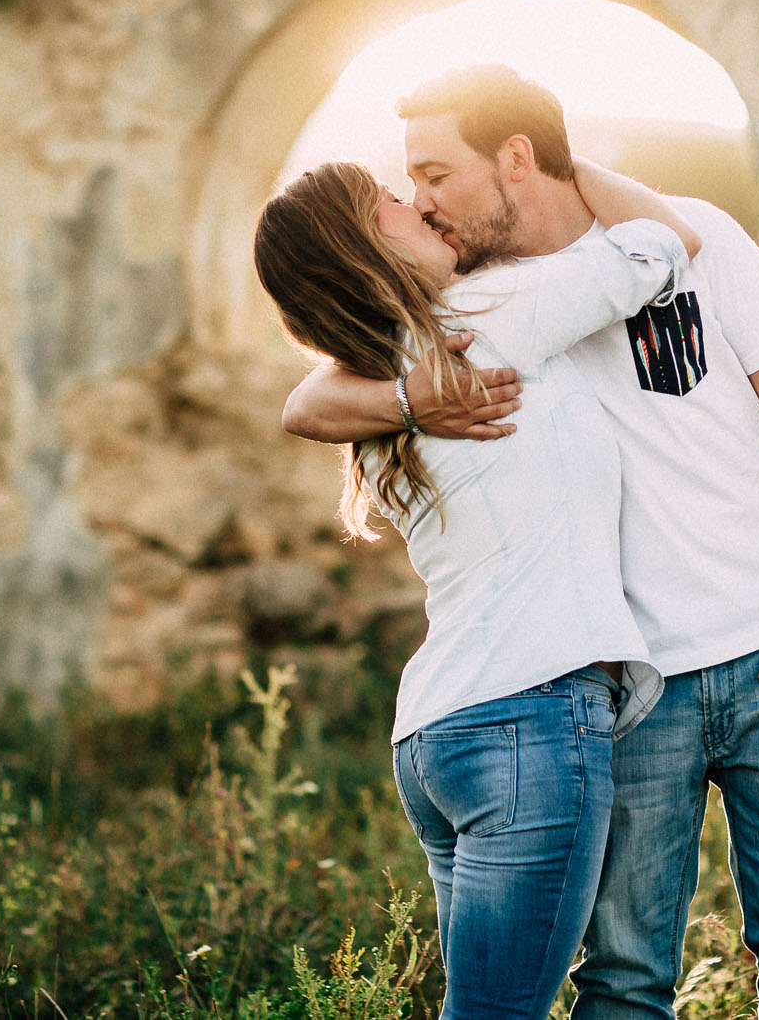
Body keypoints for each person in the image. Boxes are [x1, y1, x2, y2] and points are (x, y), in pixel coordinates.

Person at [284, 65, 759, 1019]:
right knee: (626, 976)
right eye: (408, 185)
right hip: (630, 687)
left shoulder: (696, 233)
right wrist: (407, 397)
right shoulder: (469, 301)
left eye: (435, 174)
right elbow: (306, 398)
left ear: (516, 157)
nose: (421, 201)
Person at [252, 150, 703, 1020]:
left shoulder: (375, 384)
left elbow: (304, 401)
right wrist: (557, 155)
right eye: (391, 200)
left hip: (439, 734)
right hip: (530, 717)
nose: (418, 206)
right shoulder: (490, 314)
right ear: (363, 244)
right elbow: (664, 241)